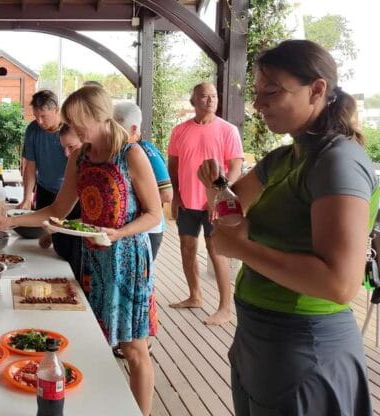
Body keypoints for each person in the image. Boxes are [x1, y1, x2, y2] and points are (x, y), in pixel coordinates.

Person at [199, 39, 375, 415]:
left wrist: (240, 248)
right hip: (258, 337)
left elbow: (340, 284)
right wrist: (216, 186)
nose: (259, 104)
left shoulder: (338, 161)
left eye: (273, 92)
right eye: (258, 93)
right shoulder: (285, 157)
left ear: (317, 90)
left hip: (304, 345)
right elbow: (234, 208)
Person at [0, 87, 161, 415]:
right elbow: (58, 210)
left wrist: (118, 232)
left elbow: (155, 214)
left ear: (100, 117)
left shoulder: (131, 154)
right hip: (93, 261)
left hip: (128, 261)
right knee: (94, 341)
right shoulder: (80, 157)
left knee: (134, 349)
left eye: (79, 124)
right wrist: (10, 220)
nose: (74, 132)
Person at [167, 82, 244, 325]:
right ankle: (195, 296)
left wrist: (219, 195)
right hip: (187, 201)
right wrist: (176, 195)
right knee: (187, 247)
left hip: (215, 203)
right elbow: (173, 166)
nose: (210, 100)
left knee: (217, 251)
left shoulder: (228, 130)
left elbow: (236, 167)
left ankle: (225, 308)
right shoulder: (180, 131)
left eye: (213, 96)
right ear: (193, 100)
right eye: (204, 96)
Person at [113, 101, 173, 355]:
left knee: (142, 286)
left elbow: (167, 194)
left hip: (148, 230)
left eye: (117, 128)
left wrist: (138, 201)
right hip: (128, 232)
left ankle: (141, 341)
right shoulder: (118, 152)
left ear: (134, 128)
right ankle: (130, 339)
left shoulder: (144, 151)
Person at [19, 90, 83, 278]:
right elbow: (30, 166)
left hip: (71, 194)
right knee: (50, 241)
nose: (39, 121)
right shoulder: (32, 130)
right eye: (36, 116)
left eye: (43, 116)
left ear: (57, 110)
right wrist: (26, 198)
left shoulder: (71, 132)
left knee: (71, 243)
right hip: (45, 190)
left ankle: (73, 281)